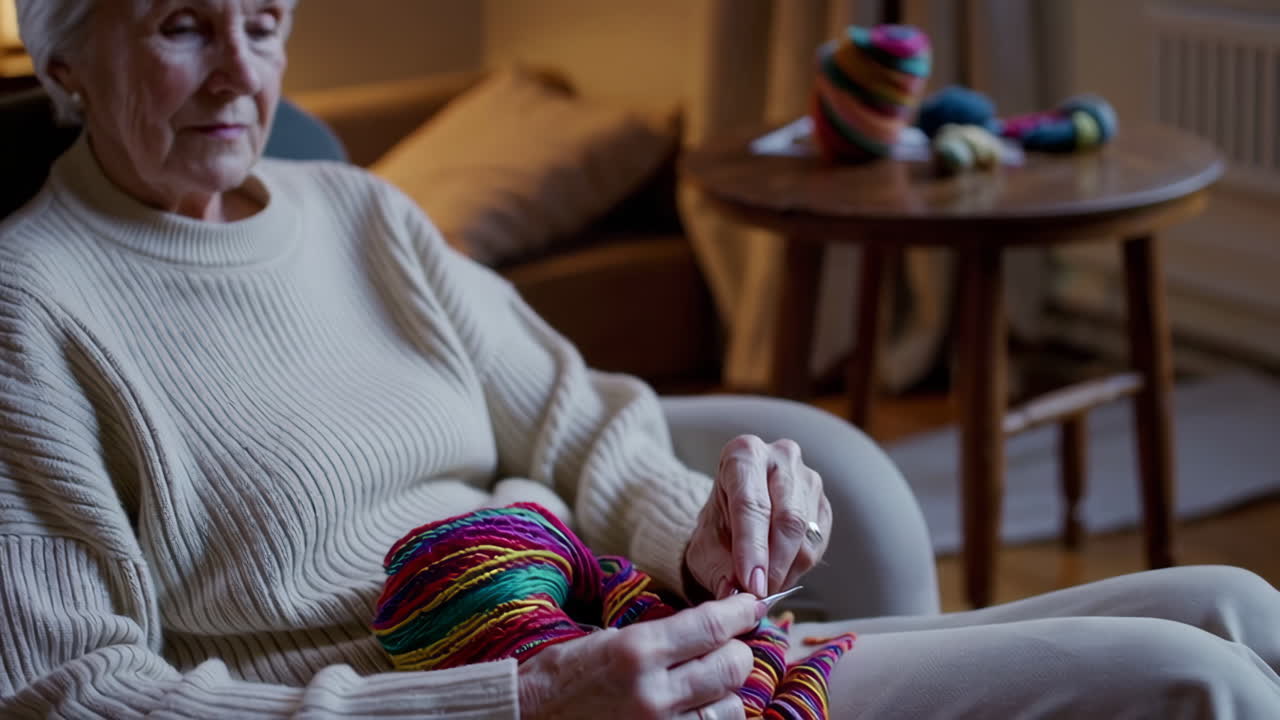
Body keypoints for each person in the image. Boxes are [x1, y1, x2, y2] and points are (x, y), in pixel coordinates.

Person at [0, 1, 1277, 718]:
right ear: (64, 54)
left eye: (265, 20)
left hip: (625, 635)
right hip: (476, 700)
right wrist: (516, 706)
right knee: (1194, 685)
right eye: (184, 25)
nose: (241, 73)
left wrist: (699, 534)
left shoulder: (358, 215)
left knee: (1233, 605)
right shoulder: (29, 305)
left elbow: (575, 422)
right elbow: (73, 696)